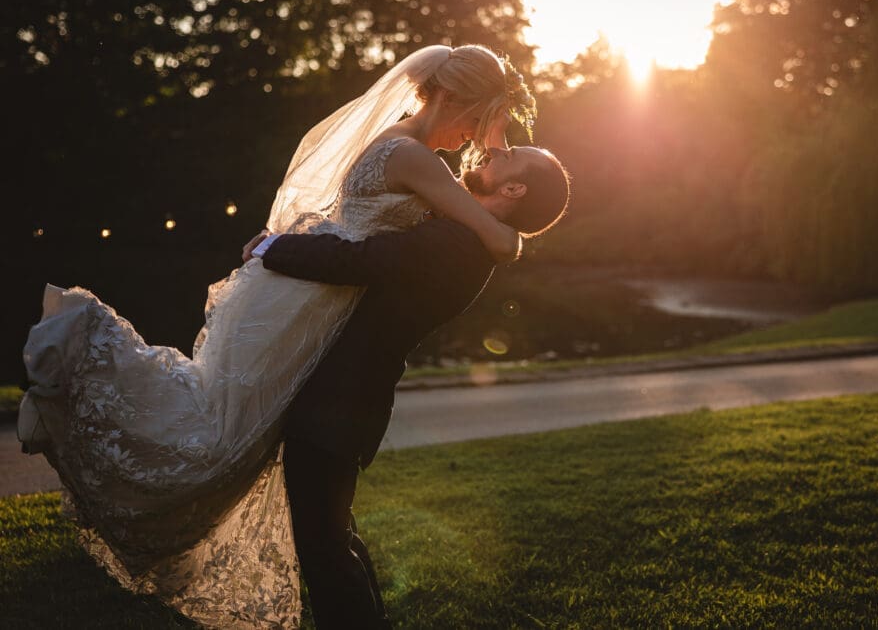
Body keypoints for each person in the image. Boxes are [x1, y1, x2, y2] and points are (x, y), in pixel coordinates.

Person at [18, 45, 539, 628]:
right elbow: (491, 236)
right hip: (314, 299)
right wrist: (516, 233)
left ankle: (81, 382)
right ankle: (82, 364)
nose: (472, 138)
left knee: (223, 415)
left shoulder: (394, 138)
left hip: (302, 293)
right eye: (473, 120)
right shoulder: (420, 161)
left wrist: (273, 246)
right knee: (224, 433)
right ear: (448, 97)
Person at [245, 143, 570, 628]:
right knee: (332, 536)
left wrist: (271, 247)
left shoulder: (458, 244)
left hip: (341, 402)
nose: (496, 149)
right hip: (345, 400)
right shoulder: (465, 234)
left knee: (323, 546)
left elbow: (360, 260)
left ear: (514, 188)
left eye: (509, 155)